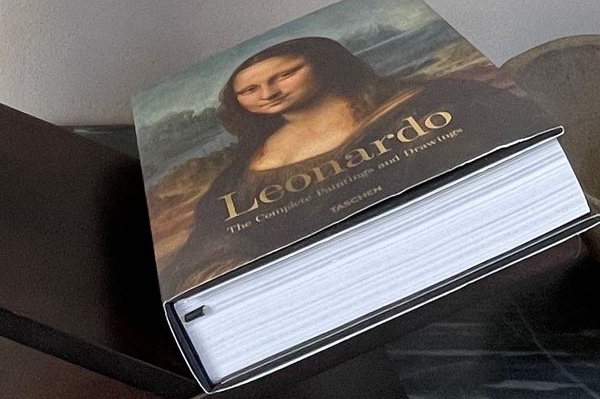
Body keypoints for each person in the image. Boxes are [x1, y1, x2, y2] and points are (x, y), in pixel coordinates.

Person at [152, 36, 418, 289]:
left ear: (323, 64)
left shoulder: (410, 106)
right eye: (249, 90)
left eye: (285, 75)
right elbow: (212, 245)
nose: (269, 93)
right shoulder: (240, 174)